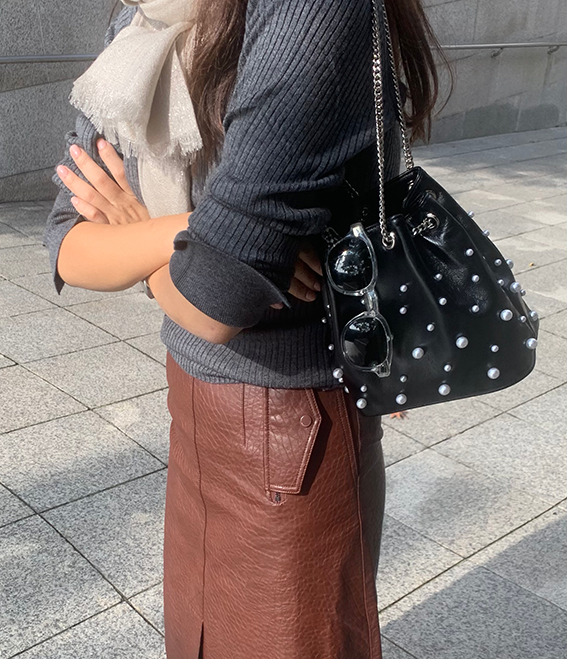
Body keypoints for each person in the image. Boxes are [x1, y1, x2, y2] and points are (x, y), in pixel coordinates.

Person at [43, 0, 444, 656]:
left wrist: (145, 238)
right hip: (193, 411)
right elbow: (67, 241)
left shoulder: (306, 12)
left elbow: (214, 302)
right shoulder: (141, 20)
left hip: (294, 431)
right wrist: (187, 232)